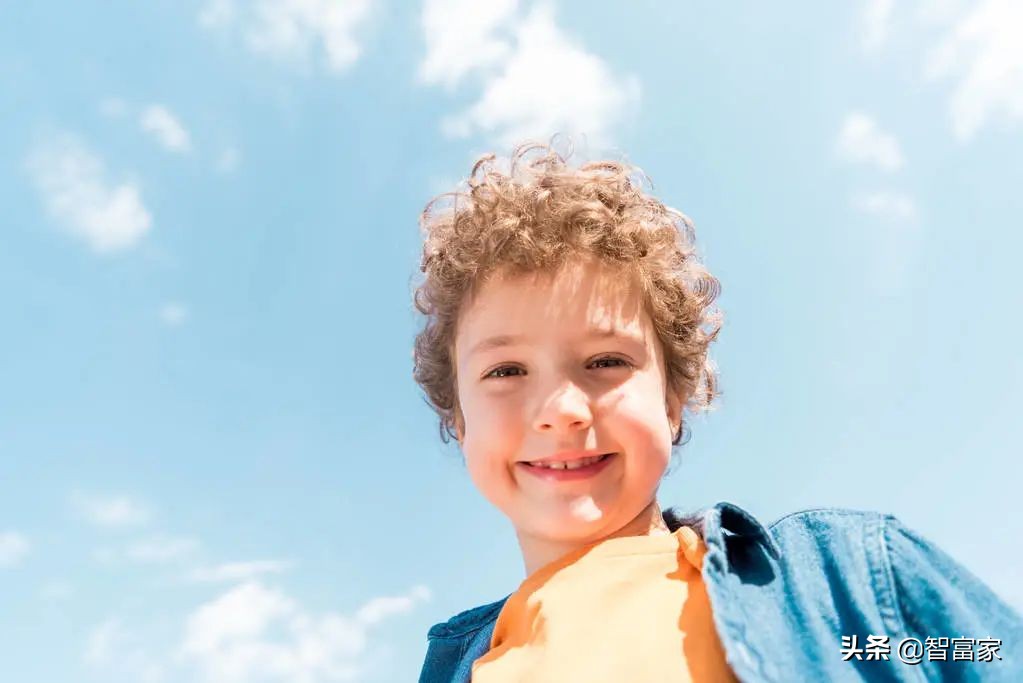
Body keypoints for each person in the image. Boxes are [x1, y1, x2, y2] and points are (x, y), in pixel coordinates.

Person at [411, 141, 1022, 682]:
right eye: (505, 371)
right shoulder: (451, 667)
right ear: (460, 423)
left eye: (605, 362)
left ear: (673, 401)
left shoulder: (850, 581)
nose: (561, 410)